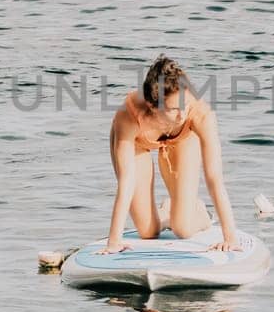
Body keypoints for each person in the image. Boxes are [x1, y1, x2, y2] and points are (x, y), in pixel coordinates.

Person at [103, 55, 241, 254]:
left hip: (182, 140)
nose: (182, 115)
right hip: (138, 142)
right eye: (174, 109)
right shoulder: (129, 116)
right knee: (148, 231)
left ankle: (198, 210)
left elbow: (214, 177)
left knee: (183, 228)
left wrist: (230, 238)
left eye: (185, 105)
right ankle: (167, 213)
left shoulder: (200, 114)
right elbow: (126, 181)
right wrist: (114, 241)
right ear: (152, 105)